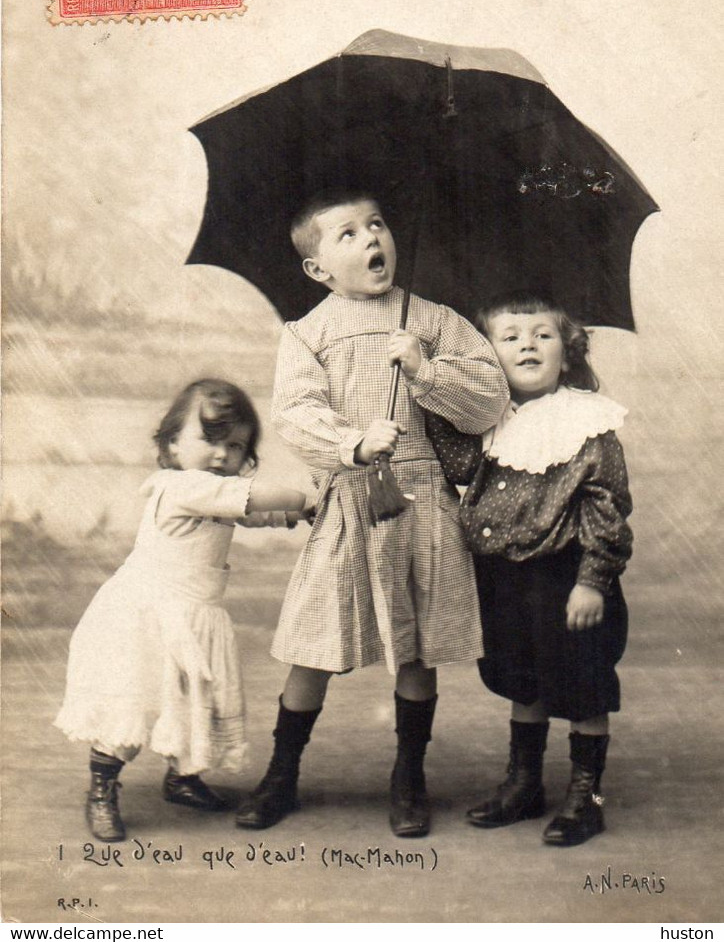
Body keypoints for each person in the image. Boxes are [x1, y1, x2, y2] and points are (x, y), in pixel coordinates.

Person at [234, 194, 509, 837]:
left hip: (421, 503)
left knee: (412, 647)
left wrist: (425, 369)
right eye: (348, 233)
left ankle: (408, 774)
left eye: (378, 224)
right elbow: (295, 413)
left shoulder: (433, 320)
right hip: (352, 499)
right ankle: (282, 771)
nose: (371, 239)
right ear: (318, 269)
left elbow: (488, 400)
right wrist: (353, 443)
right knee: (314, 643)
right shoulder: (307, 333)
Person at [54, 378, 312, 843]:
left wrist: (292, 517)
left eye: (234, 446)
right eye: (208, 440)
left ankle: (182, 777)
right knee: (136, 703)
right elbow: (250, 500)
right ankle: (101, 789)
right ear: (172, 444)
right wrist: (305, 498)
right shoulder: (182, 487)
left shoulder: (215, 493)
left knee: (195, 700)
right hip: (148, 618)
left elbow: (248, 513)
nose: (220, 455)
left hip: (190, 614)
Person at [426, 292, 633, 847]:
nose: (527, 345)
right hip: (502, 575)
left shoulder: (586, 422)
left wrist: (593, 580)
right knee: (523, 675)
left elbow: (607, 506)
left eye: (542, 335)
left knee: (582, 681)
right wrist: (428, 389)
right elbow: (460, 466)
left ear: (567, 353)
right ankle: (524, 782)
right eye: (510, 337)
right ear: (490, 357)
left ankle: (587, 797)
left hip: (565, 577)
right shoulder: (489, 421)